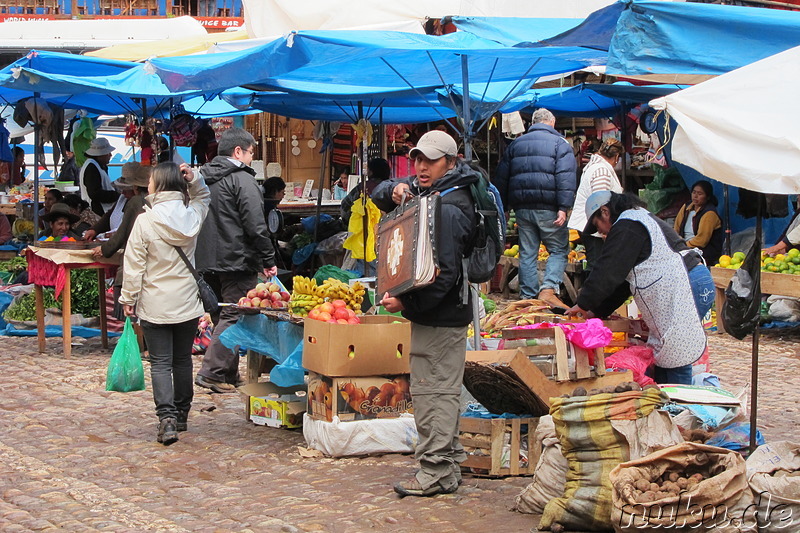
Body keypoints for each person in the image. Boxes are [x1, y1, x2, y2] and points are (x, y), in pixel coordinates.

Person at [373, 131, 478, 498]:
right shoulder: (440, 196)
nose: (420, 167)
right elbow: (378, 192)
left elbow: (444, 275)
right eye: (417, 159)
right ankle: (445, 469)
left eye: (430, 161)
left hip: (441, 315)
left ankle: (435, 472)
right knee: (441, 391)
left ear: (451, 162)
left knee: (434, 393)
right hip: (443, 314)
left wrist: (407, 304)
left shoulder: (449, 207)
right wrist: (396, 192)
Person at [565, 191, 707, 385]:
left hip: (690, 281)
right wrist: (596, 311)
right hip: (691, 279)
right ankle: (665, 395)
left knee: (676, 351)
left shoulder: (628, 225)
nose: (603, 234)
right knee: (667, 350)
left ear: (605, 212)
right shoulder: (636, 220)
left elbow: (608, 270)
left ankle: (678, 403)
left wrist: (583, 304)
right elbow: (623, 282)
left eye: (599, 227)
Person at [119, 162, 211, 445]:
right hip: (186, 301)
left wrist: (128, 298)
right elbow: (203, 197)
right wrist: (195, 178)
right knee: (182, 359)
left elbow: (134, 265)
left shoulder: (145, 221)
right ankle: (182, 413)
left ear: (157, 186)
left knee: (160, 363)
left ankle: (167, 419)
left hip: (155, 301)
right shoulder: (191, 216)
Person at [194, 128, 277, 393]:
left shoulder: (202, 178)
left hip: (206, 259)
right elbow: (256, 224)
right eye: (251, 152)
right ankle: (213, 372)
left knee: (222, 315)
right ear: (238, 152)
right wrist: (268, 258)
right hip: (236, 258)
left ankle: (228, 372)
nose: (252, 158)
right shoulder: (242, 179)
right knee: (235, 314)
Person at [494, 108, 577, 308]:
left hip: (522, 209)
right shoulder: (560, 144)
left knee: (527, 252)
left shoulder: (516, 144)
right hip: (549, 208)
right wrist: (564, 207)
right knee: (558, 249)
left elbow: (502, 178)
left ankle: (528, 297)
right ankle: (548, 290)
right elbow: (566, 177)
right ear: (552, 122)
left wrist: (503, 207)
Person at [88, 162, 151, 320]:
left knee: (131, 304)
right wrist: (95, 230)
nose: (123, 192)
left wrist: (105, 249)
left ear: (135, 188)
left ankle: (138, 340)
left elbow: (122, 233)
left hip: (135, 258)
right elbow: (109, 216)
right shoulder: (125, 200)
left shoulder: (136, 202)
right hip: (146, 258)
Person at [568, 137, 624, 265]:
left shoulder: (595, 167)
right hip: (594, 227)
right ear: (616, 156)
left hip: (592, 225)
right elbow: (600, 201)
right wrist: (603, 229)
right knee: (597, 266)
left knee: (598, 265)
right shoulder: (601, 170)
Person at [673, 180, 724, 266]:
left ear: (707, 197)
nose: (695, 196)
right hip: (685, 247)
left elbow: (701, 241)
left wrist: (684, 247)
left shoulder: (709, 213)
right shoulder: (686, 207)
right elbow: (676, 228)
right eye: (694, 192)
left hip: (703, 252)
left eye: (700, 194)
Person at [341, 157, 391, 225]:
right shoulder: (391, 187)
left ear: (371, 172)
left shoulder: (362, 188)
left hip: (362, 229)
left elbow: (344, 208)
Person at [79, 137, 120, 215]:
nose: (110, 155)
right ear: (100, 155)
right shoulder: (91, 167)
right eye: (108, 153)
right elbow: (94, 193)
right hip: (97, 210)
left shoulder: (98, 165)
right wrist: (116, 195)